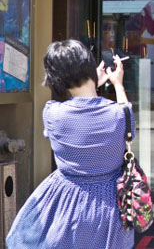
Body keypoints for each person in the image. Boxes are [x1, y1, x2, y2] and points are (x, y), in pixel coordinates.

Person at [6, 39, 135, 248]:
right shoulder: (118, 114)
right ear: (89, 67)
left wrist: (92, 85)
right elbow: (127, 122)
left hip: (63, 198)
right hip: (109, 203)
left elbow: (80, 114)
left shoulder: (52, 113)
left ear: (56, 78)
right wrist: (117, 84)